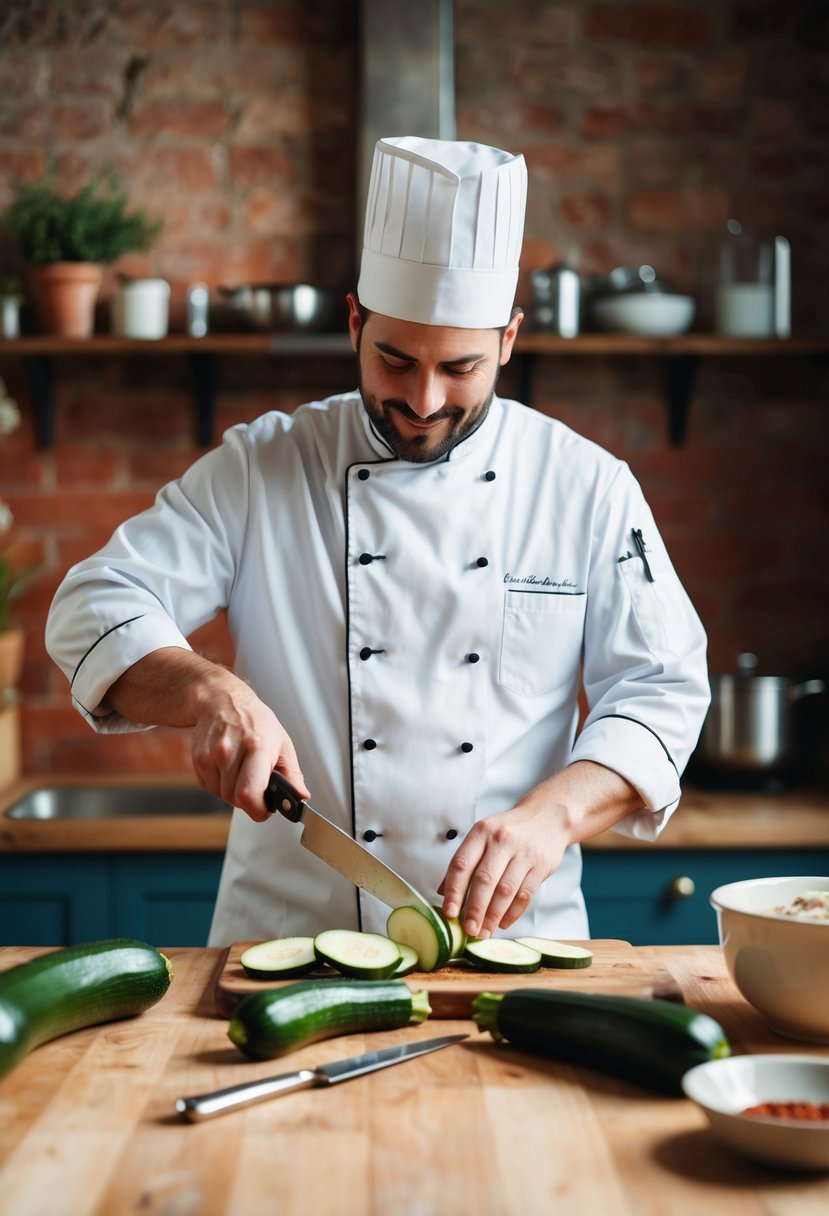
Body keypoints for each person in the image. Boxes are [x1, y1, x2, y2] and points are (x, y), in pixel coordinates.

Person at [46, 137, 710, 947]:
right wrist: (208, 692)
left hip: (510, 946)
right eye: (395, 360)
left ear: (507, 339)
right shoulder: (264, 466)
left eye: (459, 367)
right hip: (285, 944)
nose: (424, 401)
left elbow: (662, 690)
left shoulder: (585, 486)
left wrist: (553, 815)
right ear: (354, 319)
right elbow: (93, 602)